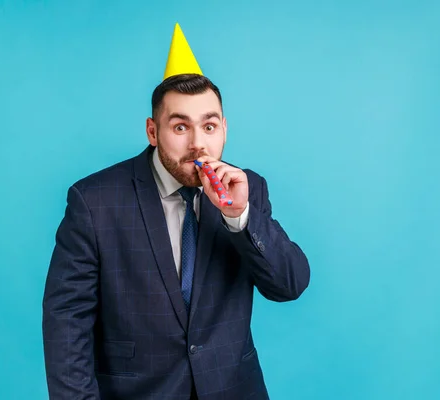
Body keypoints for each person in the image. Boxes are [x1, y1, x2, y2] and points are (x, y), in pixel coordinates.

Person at [42, 23, 310, 400]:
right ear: (153, 132)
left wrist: (240, 217)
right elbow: (66, 323)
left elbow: (290, 285)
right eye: (180, 126)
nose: (198, 144)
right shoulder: (93, 201)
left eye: (209, 126)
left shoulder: (248, 189)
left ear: (225, 129)